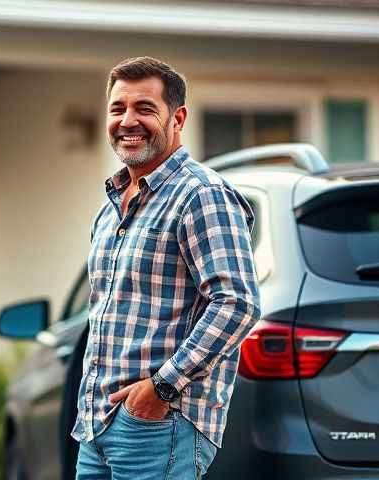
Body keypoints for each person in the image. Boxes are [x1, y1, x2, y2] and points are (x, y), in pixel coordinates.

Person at [71, 56, 261, 479]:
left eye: (145, 109)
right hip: (98, 424)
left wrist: (161, 388)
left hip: (160, 424)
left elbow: (237, 303)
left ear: (178, 118)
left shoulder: (201, 194)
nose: (128, 121)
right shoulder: (111, 208)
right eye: (118, 108)